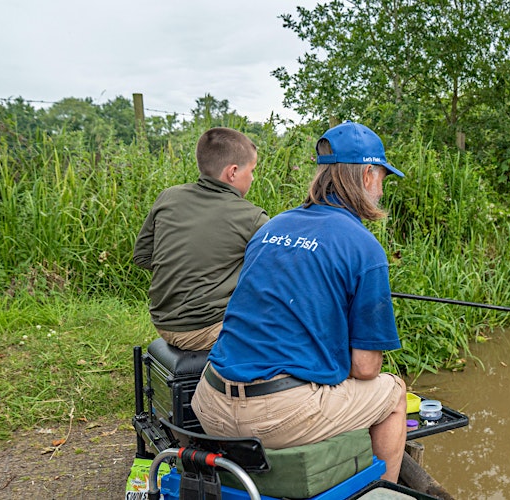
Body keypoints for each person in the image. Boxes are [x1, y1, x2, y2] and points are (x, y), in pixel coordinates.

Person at [191, 121, 408, 482]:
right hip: (277, 416)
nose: (382, 188)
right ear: (367, 174)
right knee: (394, 392)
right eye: (383, 177)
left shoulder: (271, 228)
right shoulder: (364, 248)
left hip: (210, 404)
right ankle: (385, 493)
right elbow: (365, 368)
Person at [133, 127, 269, 351]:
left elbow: (142, 256)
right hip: (209, 329)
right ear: (233, 172)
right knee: (290, 329)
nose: (253, 178)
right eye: (252, 170)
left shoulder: (169, 196)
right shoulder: (252, 217)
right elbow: (277, 277)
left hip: (163, 322)